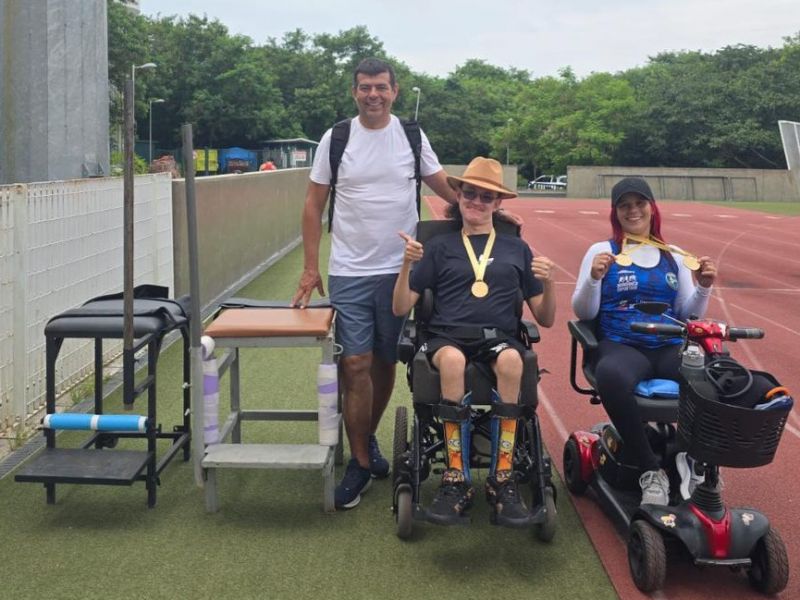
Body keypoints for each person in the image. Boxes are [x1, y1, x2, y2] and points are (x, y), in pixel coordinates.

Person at [291, 58, 465, 510]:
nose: (373, 95)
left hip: (400, 271)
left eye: (381, 87)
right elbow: (313, 205)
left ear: (394, 91)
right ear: (354, 92)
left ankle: (365, 437)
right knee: (355, 363)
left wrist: (491, 212)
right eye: (365, 87)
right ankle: (361, 464)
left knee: (385, 361)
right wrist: (310, 267)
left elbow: (445, 187)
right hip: (349, 270)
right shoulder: (336, 138)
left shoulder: (411, 136)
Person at [392, 157, 556, 526]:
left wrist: (548, 283)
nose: (476, 201)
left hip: (498, 338)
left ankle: (502, 477)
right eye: (470, 193)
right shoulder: (438, 246)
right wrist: (406, 265)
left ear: (498, 203)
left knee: (512, 361)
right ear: (459, 196)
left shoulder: (517, 248)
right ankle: (456, 479)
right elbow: (401, 306)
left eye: (486, 196)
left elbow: (545, 317)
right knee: (452, 361)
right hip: (446, 336)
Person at [571, 177, 717, 505]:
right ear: (615, 212)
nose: (633, 210)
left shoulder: (674, 256)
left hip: (666, 346)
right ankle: (651, 470)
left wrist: (704, 287)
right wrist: (594, 278)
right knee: (611, 375)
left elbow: (687, 314)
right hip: (622, 345)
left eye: (640, 203)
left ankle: (693, 458)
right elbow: (583, 311)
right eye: (625, 205)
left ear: (652, 208)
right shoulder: (602, 251)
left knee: (711, 372)